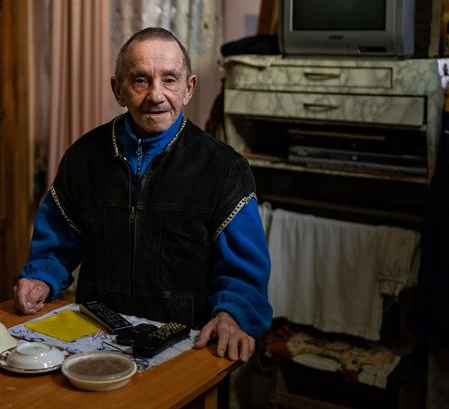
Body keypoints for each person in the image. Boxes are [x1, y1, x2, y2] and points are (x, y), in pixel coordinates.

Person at [14, 27, 271, 361]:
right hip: (96, 338)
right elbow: (55, 244)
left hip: (185, 343)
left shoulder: (224, 169)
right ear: (117, 89)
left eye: (169, 80)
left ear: (188, 88)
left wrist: (233, 314)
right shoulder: (84, 157)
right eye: (139, 80)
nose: (156, 95)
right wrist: (41, 279)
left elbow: (244, 274)